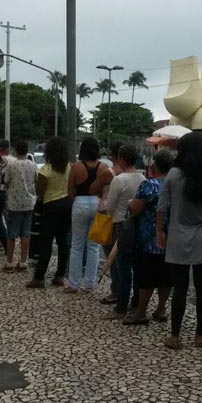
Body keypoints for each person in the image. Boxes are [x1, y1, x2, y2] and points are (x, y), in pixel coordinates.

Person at [157, 133, 202, 349]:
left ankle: (175, 336)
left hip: (178, 235)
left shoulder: (174, 174)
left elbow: (162, 207)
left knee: (180, 287)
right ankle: (200, 335)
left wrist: (160, 231)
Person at [124, 149, 173, 325]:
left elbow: (135, 209)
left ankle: (141, 312)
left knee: (146, 277)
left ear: (154, 166)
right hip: (170, 240)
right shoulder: (176, 185)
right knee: (166, 277)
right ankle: (161, 309)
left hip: (149, 240)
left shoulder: (150, 185)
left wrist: (130, 203)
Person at [102, 145, 146, 320]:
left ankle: (120, 307)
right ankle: (135, 303)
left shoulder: (119, 180)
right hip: (138, 223)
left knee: (122, 267)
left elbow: (110, 207)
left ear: (121, 159)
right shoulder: (142, 178)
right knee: (136, 266)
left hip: (121, 224)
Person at [27, 137, 72, 288]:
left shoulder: (45, 170)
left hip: (51, 206)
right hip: (67, 205)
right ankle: (59, 276)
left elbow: (39, 191)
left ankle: (39, 277)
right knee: (63, 242)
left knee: (45, 242)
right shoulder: (69, 167)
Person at [65, 137, 108, 292]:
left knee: (76, 245)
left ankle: (73, 284)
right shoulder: (103, 167)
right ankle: (90, 284)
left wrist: (75, 201)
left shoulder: (76, 167)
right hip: (96, 203)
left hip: (80, 203)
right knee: (93, 246)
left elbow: (69, 190)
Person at [90, 141, 124, 305]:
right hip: (124, 215)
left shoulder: (108, 172)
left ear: (113, 155)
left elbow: (93, 189)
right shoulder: (132, 172)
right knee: (123, 255)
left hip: (107, 213)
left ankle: (116, 291)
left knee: (111, 255)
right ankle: (124, 289)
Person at [2, 140, 37, 272]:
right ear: (27, 150)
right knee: (25, 234)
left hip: (14, 204)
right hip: (29, 203)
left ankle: (9, 263)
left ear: (15, 151)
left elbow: (6, 182)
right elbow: (36, 180)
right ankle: (22, 262)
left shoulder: (12, 165)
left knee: (11, 234)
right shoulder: (33, 165)